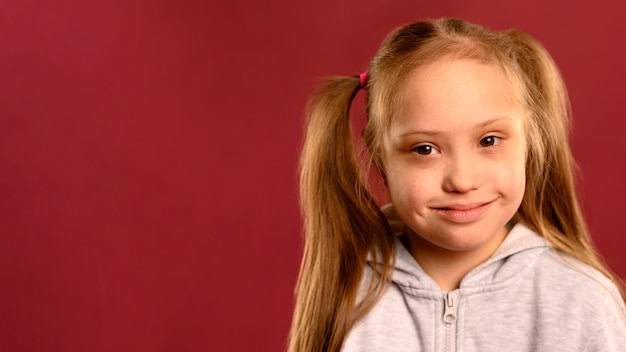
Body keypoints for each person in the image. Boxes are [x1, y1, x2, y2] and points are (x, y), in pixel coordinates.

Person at [287, 18, 626, 352]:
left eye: (489, 140)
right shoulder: (346, 293)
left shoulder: (582, 302)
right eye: (425, 149)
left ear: (530, 144)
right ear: (380, 159)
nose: (462, 180)